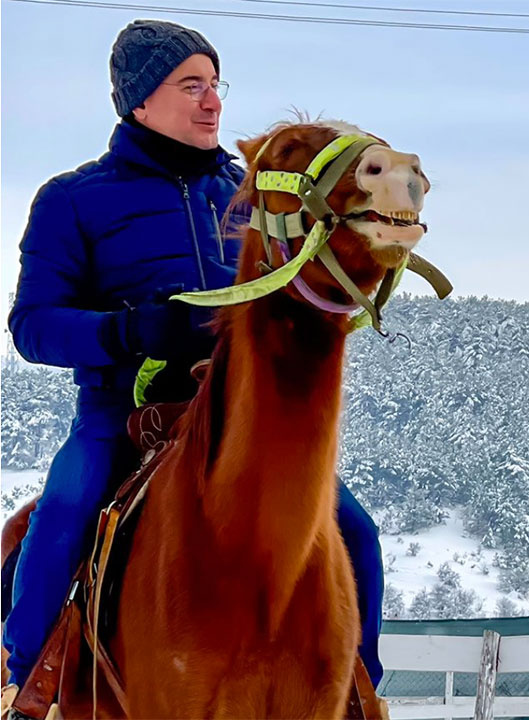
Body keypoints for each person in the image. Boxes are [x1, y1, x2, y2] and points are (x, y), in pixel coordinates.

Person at [2, 18, 386, 694]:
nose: (212, 101)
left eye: (215, 84)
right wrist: (132, 331)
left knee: (353, 530)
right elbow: (33, 326)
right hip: (119, 415)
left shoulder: (252, 193)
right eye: (191, 86)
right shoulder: (71, 200)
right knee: (64, 513)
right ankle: (22, 687)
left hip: (240, 417)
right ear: (140, 100)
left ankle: (357, 691)